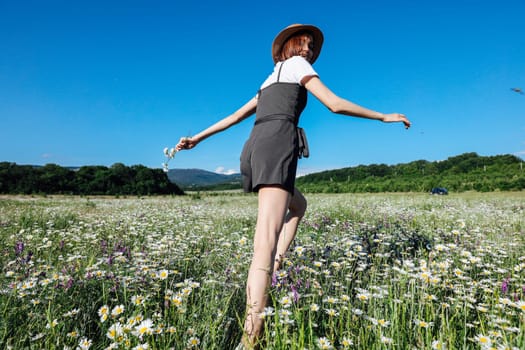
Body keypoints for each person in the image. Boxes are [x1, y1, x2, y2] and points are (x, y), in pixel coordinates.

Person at [175, 24, 411, 349]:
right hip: (277, 143)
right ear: (292, 46)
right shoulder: (297, 65)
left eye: (313, 46)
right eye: (306, 43)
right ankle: (250, 337)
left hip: (257, 146)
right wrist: (383, 116)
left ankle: (276, 270)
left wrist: (197, 138)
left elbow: (234, 116)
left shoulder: (268, 79)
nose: (310, 50)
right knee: (265, 242)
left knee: (298, 206)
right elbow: (334, 103)